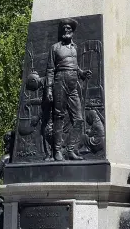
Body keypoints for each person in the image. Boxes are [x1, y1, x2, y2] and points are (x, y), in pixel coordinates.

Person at [45, 18, 92, 161]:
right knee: (58, 116)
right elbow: (50, 69)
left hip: (73, 84)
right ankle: (57, 151)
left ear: (72, 31)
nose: (66, 30)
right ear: (61, 31)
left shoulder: (75, 48)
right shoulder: (55, 48)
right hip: (60, 81)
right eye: (64, 28)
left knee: (78, 119)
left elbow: (74, 66)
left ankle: (71, 150)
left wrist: (82, 73)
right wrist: (49, 89)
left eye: (69, 29)